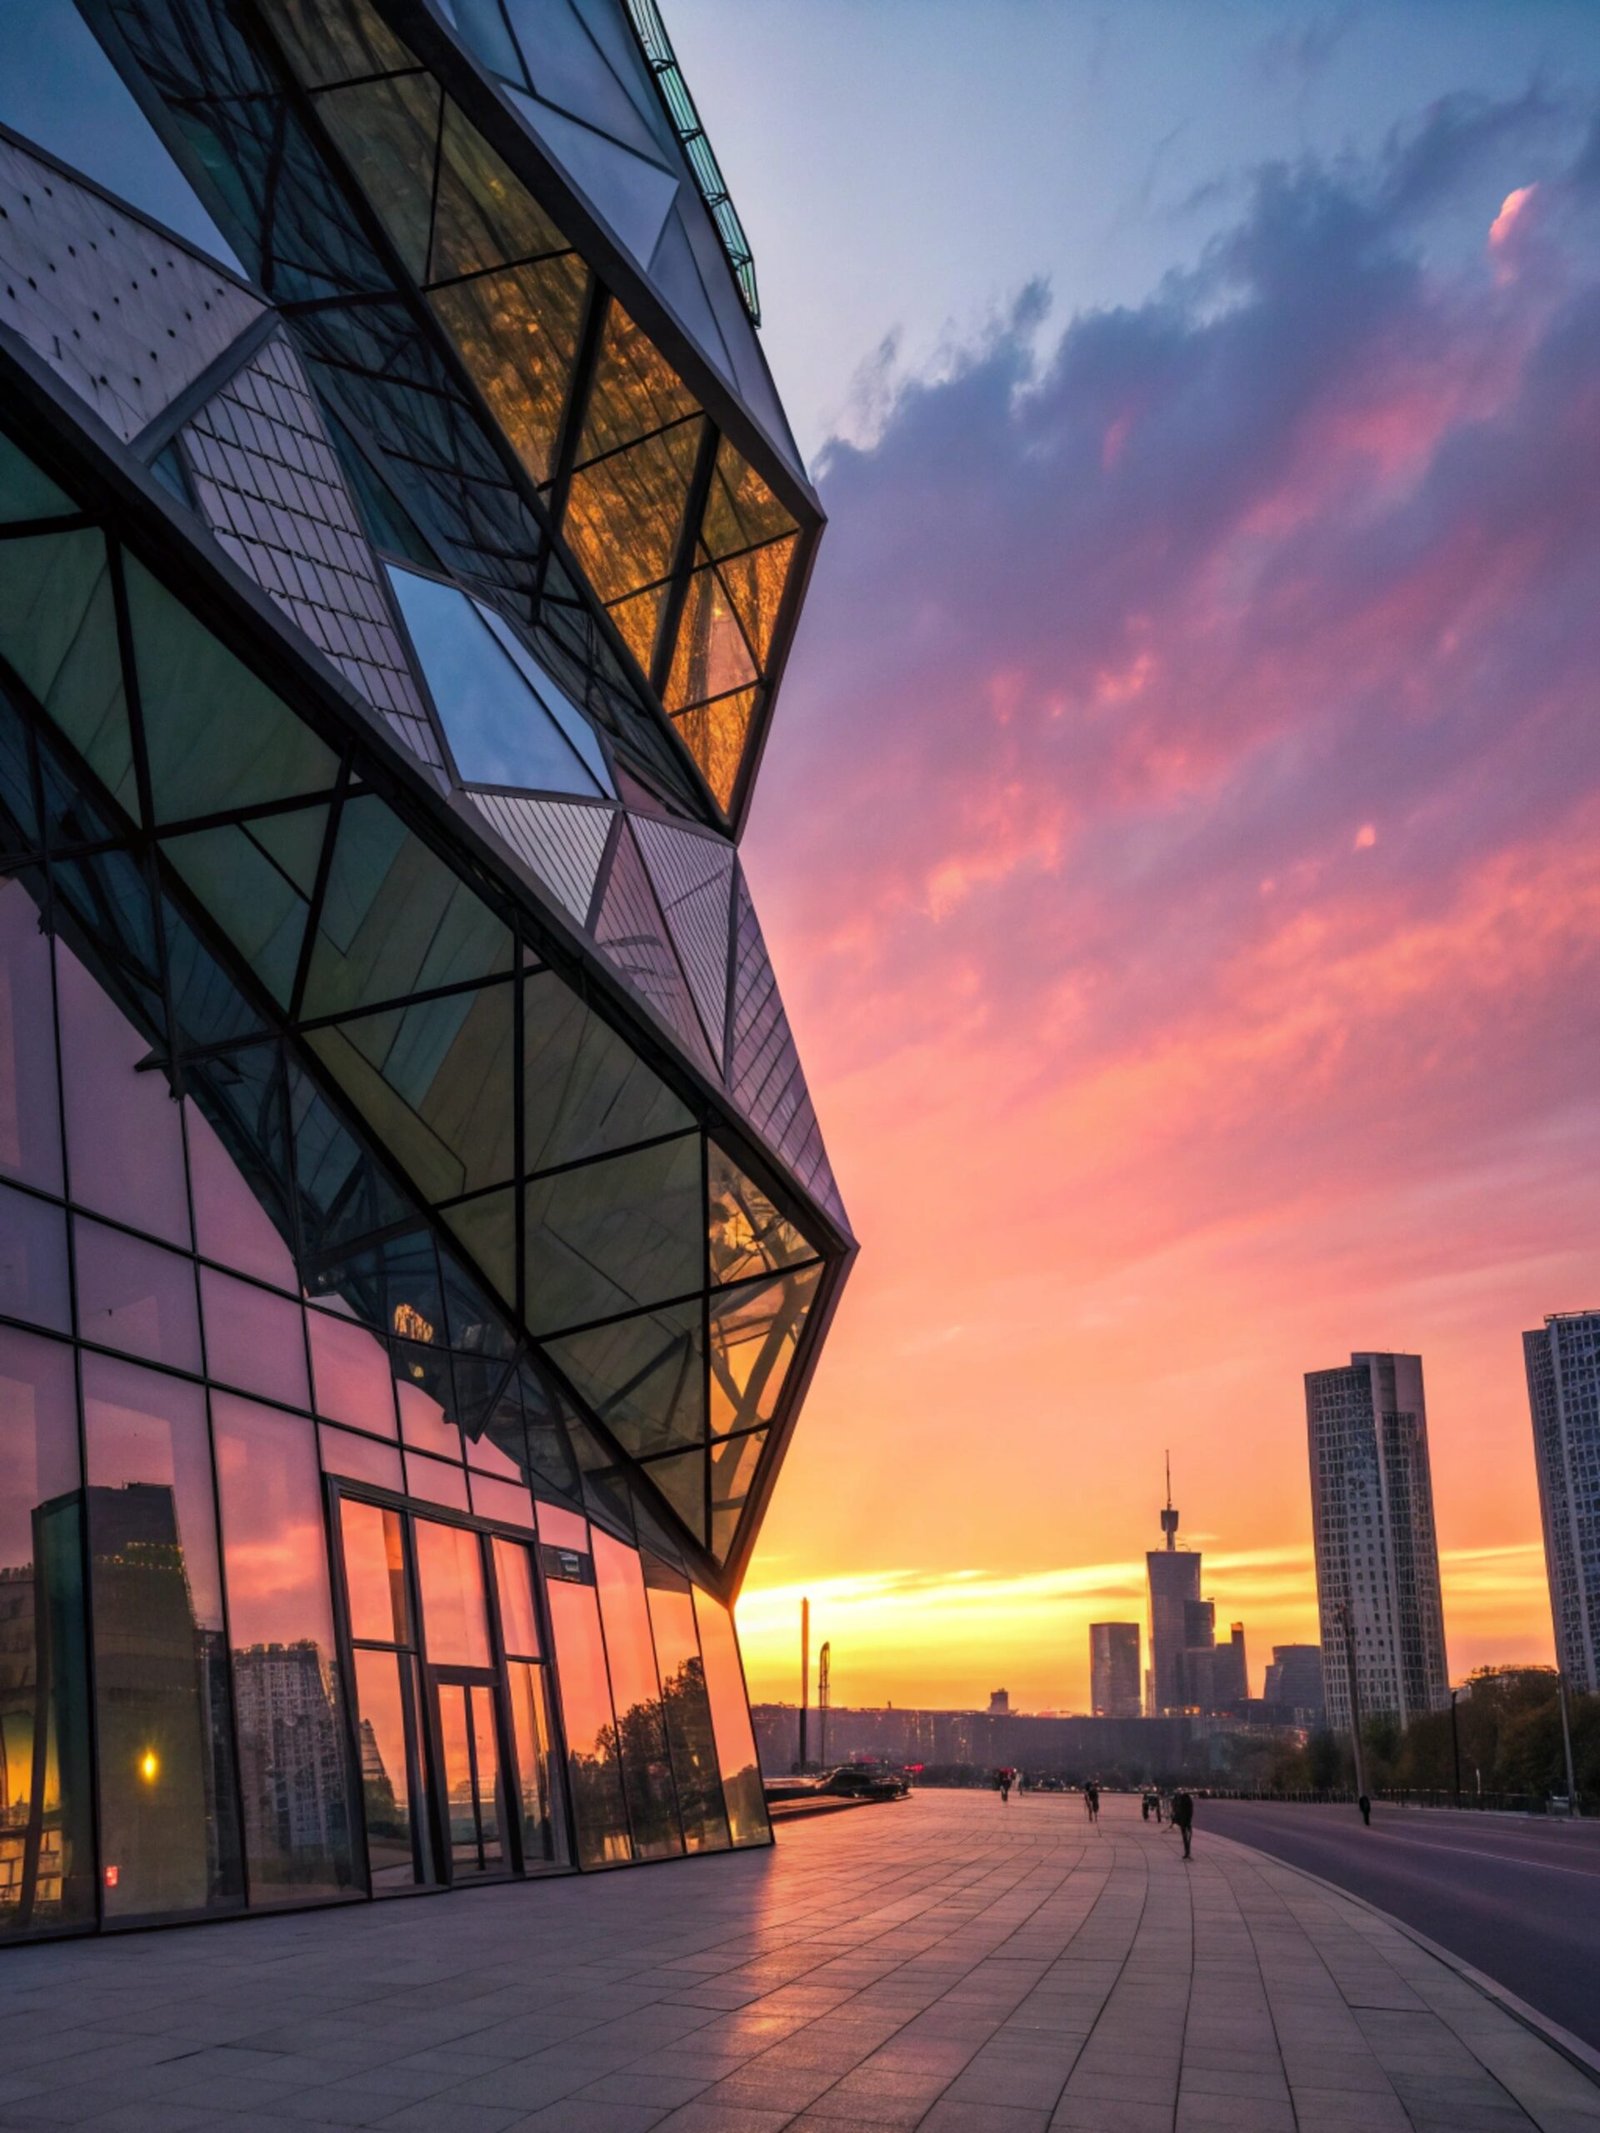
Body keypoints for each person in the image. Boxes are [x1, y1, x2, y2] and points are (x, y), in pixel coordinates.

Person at [1171, 1788, 1194, 1859]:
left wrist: (1175, 1820)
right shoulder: (1187, 1800)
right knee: (1188, 1837)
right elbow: (1190, 1812)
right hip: (1187, 1821)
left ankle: (1187, 1852)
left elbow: (1175, 1811)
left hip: (1182, 1821)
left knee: (1185, 1837)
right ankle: (1187, 1852)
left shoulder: (1178, 1800)